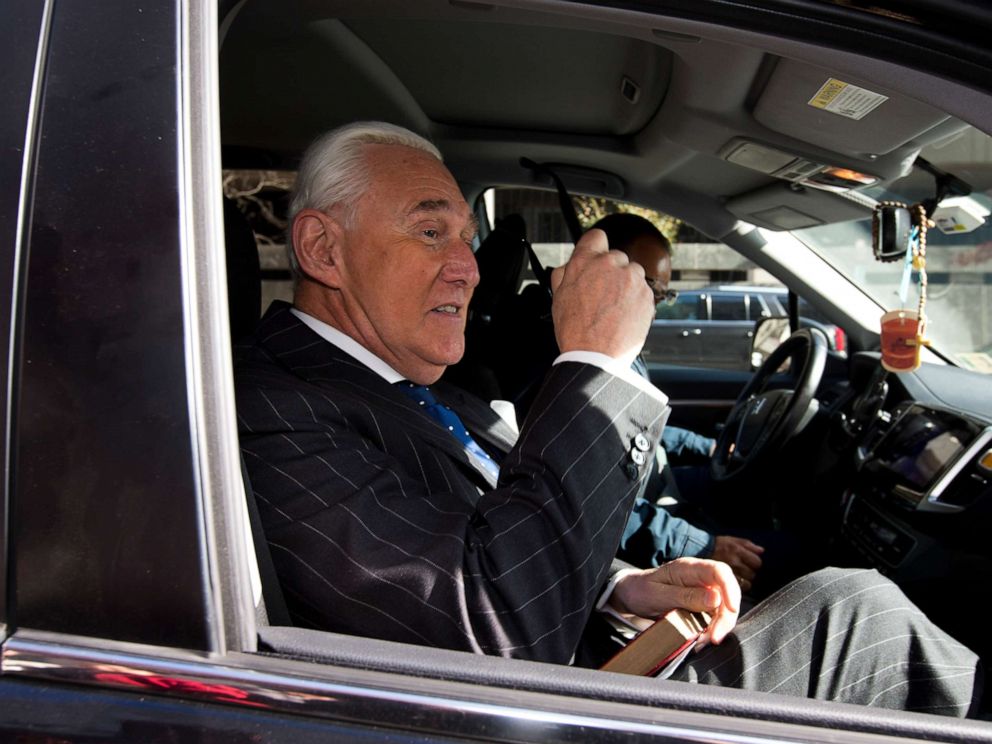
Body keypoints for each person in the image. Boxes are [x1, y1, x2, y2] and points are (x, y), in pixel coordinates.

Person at [235, 121, 981, 716]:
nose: (466, 265)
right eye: (431, 232)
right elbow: (490, 633)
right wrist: (597, 364)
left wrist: (619, 588)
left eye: (464, 236)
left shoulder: (408, 384)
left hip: (587, 663)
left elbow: (475, 539)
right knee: (853, 620)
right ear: (322, 250)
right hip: (533, 713)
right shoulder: (274, 411)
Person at [588, 213, 766, 589]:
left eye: (663, 295)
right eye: (649, 286)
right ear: (603, 267)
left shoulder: (621, 347)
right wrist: (704, 546)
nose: (654, 306)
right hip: (642, 522)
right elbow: (599, 507)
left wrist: (709, 446)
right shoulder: (582, 367)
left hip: (656, 487)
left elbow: (643, 428)